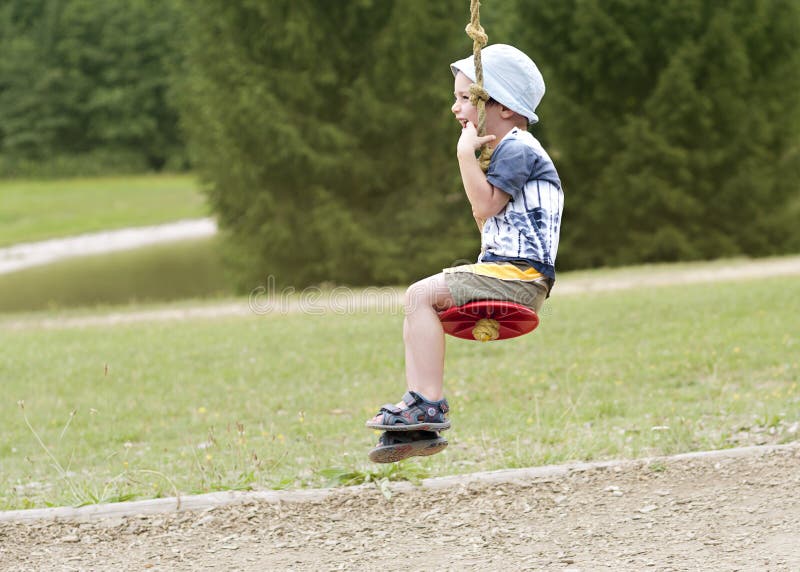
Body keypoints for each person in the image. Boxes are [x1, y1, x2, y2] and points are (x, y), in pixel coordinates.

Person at [367, 44, 564, 462]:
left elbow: (484, 207)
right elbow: (490, 222)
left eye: (464, 97)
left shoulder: (518, 147)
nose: (455, 107)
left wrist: (464, 155)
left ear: (504, 106)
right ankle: (420, 420)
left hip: (519, 277)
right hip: (515, 274)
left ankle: (427, 403)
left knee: (419, 296)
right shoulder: (511, 150)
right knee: (422, 301)